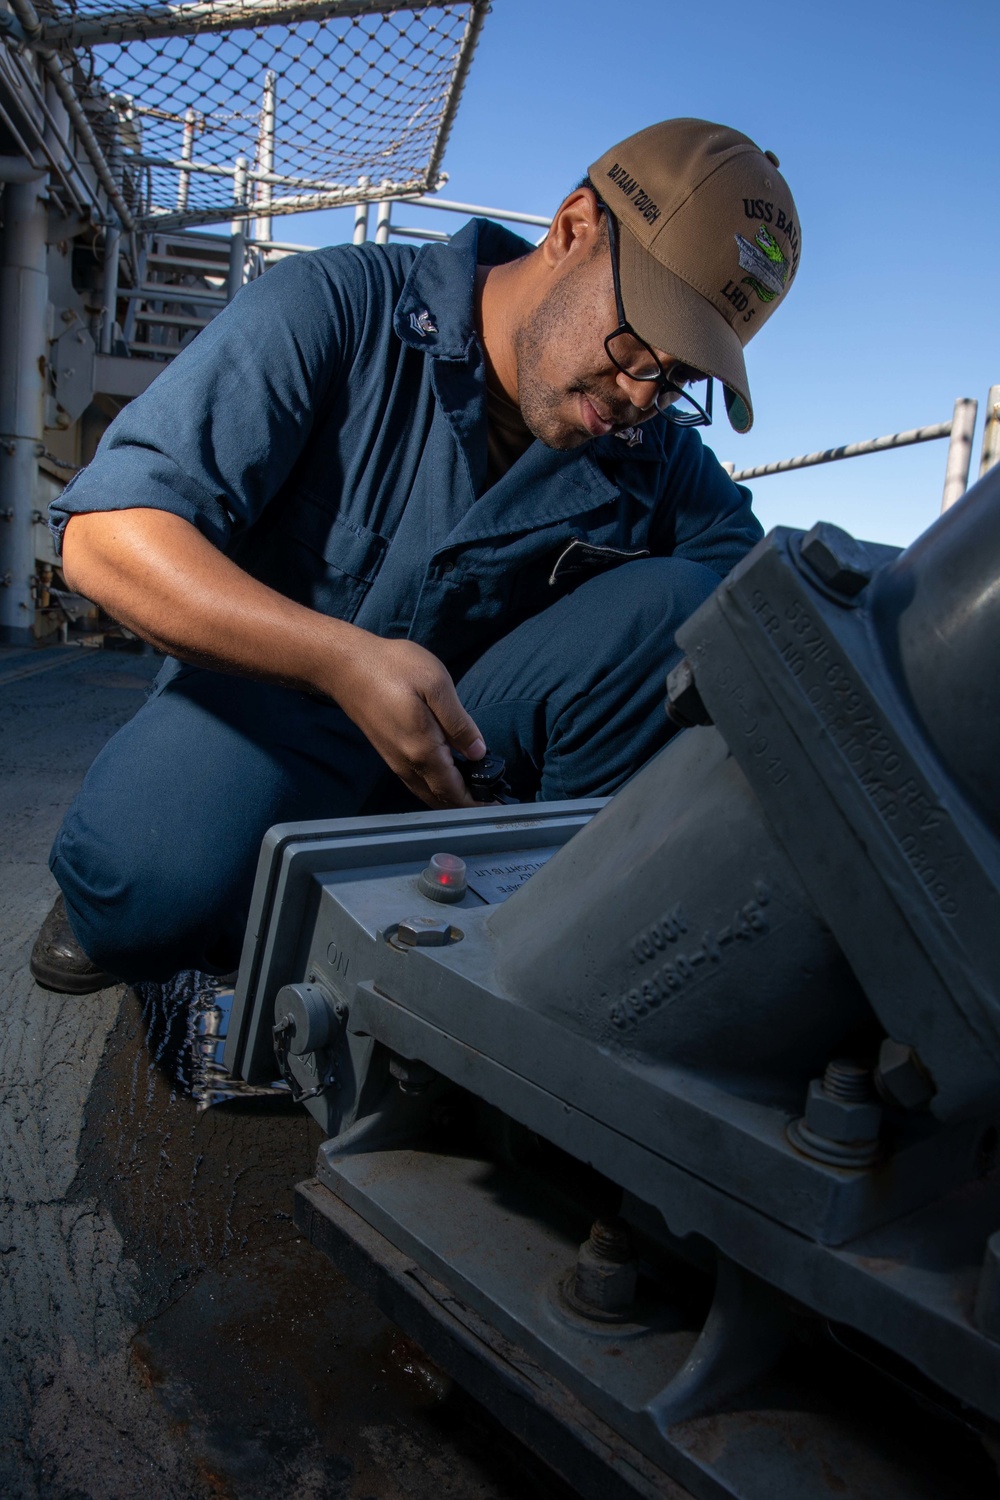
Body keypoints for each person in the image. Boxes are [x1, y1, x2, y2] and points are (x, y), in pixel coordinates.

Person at [30, 117, 801, 994]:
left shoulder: (656, 455)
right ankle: (199, 887)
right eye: (635, 344)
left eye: (677, 378)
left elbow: (767, 609)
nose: (637, 396)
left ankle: (538, 942)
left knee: (682, 603)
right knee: (145, 887)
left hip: (468, 766)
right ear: (575, 227)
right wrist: (338, 659)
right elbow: (108, 538)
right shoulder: (335, 306)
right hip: (277, 706)